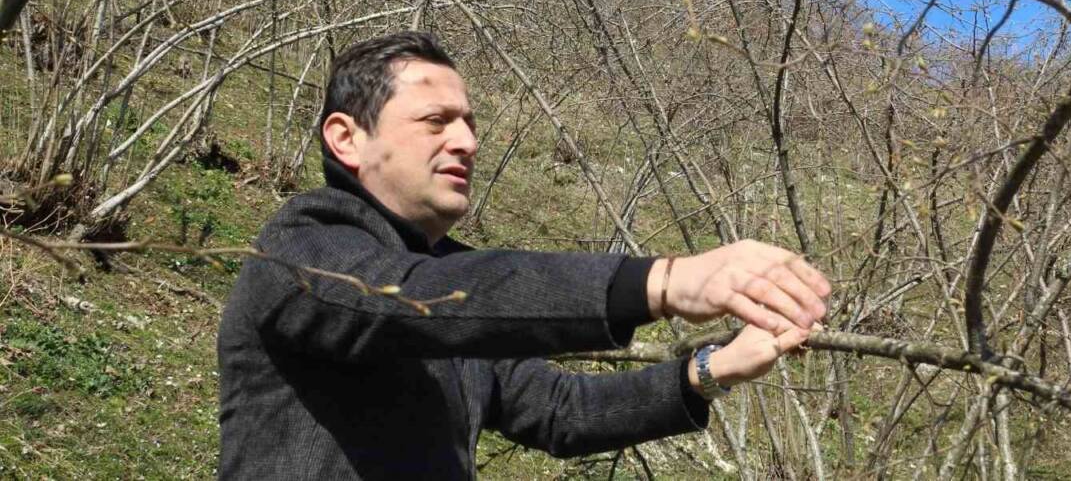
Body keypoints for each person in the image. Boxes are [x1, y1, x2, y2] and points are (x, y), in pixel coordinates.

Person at [217, 31, 830, 479]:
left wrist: (713, 369)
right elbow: (409, 299)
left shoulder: (449, 291)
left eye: (469, 123)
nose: (467, 141)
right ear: (346, 138)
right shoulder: (299, 247)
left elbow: (564, 410)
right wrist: (664, 282)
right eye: (436, 121)